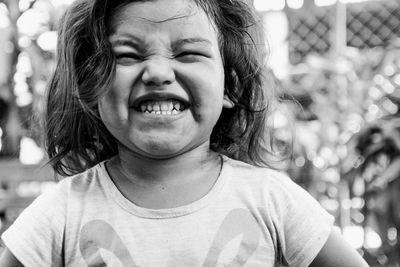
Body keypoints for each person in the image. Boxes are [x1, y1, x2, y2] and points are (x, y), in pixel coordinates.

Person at [0, 0, 369, 266]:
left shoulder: (271, 199)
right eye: (128, 55)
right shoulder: (63, 212)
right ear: (91, 87)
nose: (158, 72)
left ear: (231, 85)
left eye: (188, 53)